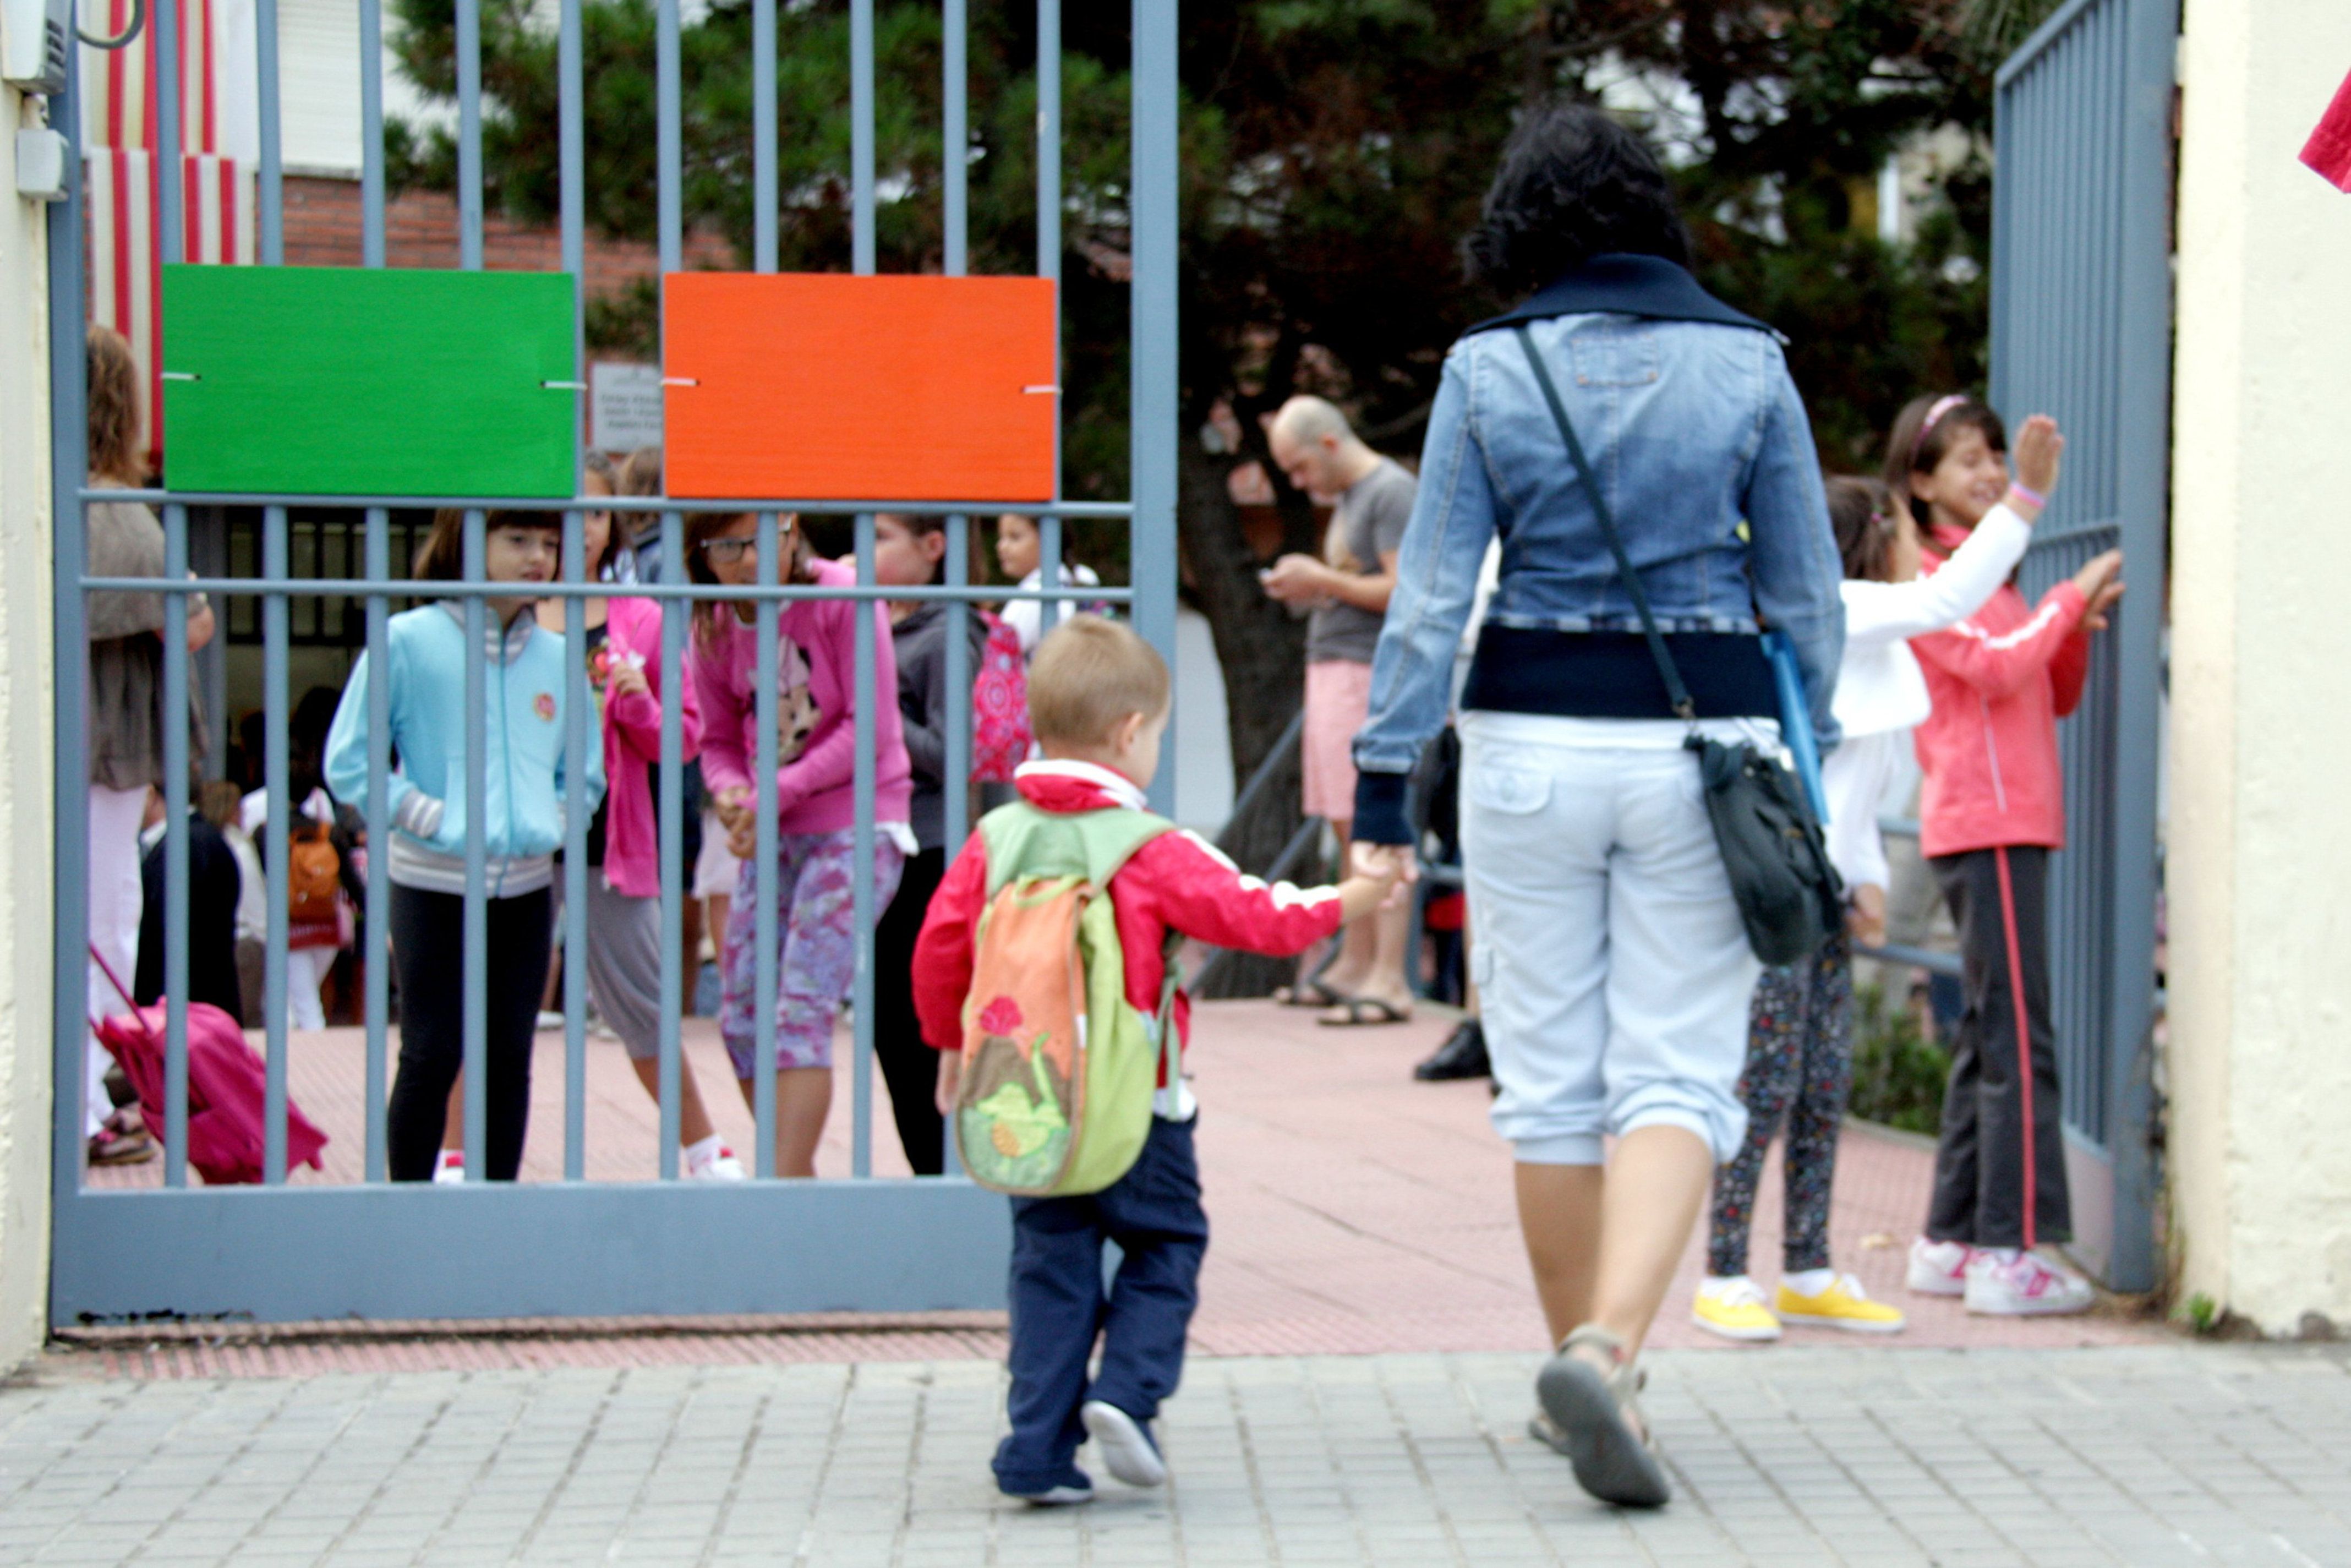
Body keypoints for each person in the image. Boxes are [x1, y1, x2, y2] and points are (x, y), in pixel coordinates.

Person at [1347, 105, 1845, 1507]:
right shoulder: (1752, 366)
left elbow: (1435, 597)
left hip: (1524, 751)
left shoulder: (1487, 369)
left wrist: (1384, 782)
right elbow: (1804, 598)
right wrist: (1807, 769)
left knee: (1550, 1082)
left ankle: (1583, 1369)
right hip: (1706, 745)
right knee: (1680, 1070)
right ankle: (1608, 1353)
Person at [911, 616, 1401, 1505]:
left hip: (1034, 1097)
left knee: (1048, 1267)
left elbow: (940, 950)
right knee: (1165, 1241)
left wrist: (952, 1045)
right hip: (1145, 1110)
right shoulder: (1152, 848)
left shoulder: (996, 840)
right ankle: (1126, 1395)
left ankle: (1034, 1452)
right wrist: (1354, 893)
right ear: (1130, 732)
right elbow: (1262, 913)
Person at [1694, 453, 2068, 1340]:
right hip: (1776, 894)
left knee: (1824, 1082)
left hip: (1822, 889)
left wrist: (1865, 879)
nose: (1918, 549)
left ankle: (1809, 1268)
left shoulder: (1865, 637)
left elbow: (1855, 785)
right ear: (1872, 538)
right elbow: (1947, 602)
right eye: (1903, 527)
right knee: (1767, 1082)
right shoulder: (1839, 607)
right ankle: (1723, 1271)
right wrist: (2024, 501)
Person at [1889, 394, 2125, 1318]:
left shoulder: (1993, 572)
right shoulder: (1928, 576)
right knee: (2020, 1039)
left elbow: (2040, 687)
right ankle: (2010, 1250)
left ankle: (1949, 1240)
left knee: (1986, 1035)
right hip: (1983, 822)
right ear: (1919, 483)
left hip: (2005, 819)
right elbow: (1991, 666)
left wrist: (2068, 626)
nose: (1988, 471)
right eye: (1964, 461)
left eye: (1993, 454)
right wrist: (2066, 599)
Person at [322, 509, 605, 1182]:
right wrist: (431, 815)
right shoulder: (408, 639)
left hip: (528, 887)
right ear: (465, 541)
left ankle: (494, 1212)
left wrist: (553, 819)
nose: (538, 556)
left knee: (509, 1056)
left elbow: (584, 772)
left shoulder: (560, 657)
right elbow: (351, 760)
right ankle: (407, 1213)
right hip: (429, 883)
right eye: (517, 540)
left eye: (547, 542)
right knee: (432, 1050)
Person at [486, 483, 743, 1182]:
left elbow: (684, 740)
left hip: (608, 841)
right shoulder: (504, 612)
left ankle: (704, 1149)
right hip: (513, 837)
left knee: (644, 1001)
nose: (582, 528)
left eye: (597, 512)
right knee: (487, 1007)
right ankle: (463, 1157)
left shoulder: (644, 619)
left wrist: (637, 705)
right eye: (567, 513)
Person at [687, 510, 912, 1178]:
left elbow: (866, 724)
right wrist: (731, 791)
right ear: (702, 554)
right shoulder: (714, 624)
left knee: (802, 1005)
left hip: (856, 822)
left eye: (765, 537)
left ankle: (781, 1188)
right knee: (742, 1015)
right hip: (773, 828)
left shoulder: (841, 594)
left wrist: (772, 791)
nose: (750, 559)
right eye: (728, 547)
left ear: (791, 530)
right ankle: (797, 1181)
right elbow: (718, 740)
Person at [83, 324, 216, 1163]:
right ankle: (89, 1100)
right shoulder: (109, 506)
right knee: (106, 915)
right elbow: (189, 621)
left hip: (73, 735)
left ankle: (87, 1092)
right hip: (104, 743)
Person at [1261, 396, 1420, 1027]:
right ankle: (1355, 962)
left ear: (1329, 442)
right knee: (1342, 822)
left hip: (1366, 674)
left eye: (1300, 468)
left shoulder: (1389, 491)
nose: (1300, 485)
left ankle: (1389, 973)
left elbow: (1403, 589)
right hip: (1336, 669)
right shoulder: (1357, 497)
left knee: (1372, 822)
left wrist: (1321, 580)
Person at [870, 513, 988, 1175]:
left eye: (881, 535)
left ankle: (946, 1175)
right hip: (886, 844)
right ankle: (929, 1174)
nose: (865, 548)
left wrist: (875, 705)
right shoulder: (884, 623)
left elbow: (951, 753)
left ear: (933, 547)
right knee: (891, 1028)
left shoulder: (946, 632)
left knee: (919, 1028)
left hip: (929, 851)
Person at [133, 783, 245, 1024]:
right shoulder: (204, 839)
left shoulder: (181, 848)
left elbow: (162, 939)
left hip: (185, 1017)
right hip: (205, 1011)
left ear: (150, 795)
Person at [206, 778, 269, 1029]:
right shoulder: (241, 850)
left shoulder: (206, 844)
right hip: (245, 944)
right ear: (232, 811)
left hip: (219, 941)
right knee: (246, 1022)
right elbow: (256, 905)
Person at [994, 512, 1101, 657]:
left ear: (1049, 538)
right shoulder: (1086, 577)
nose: (1002, 546)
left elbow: (996, 657)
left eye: (1015, 537)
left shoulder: (1031, 597)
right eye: (1001, 537)